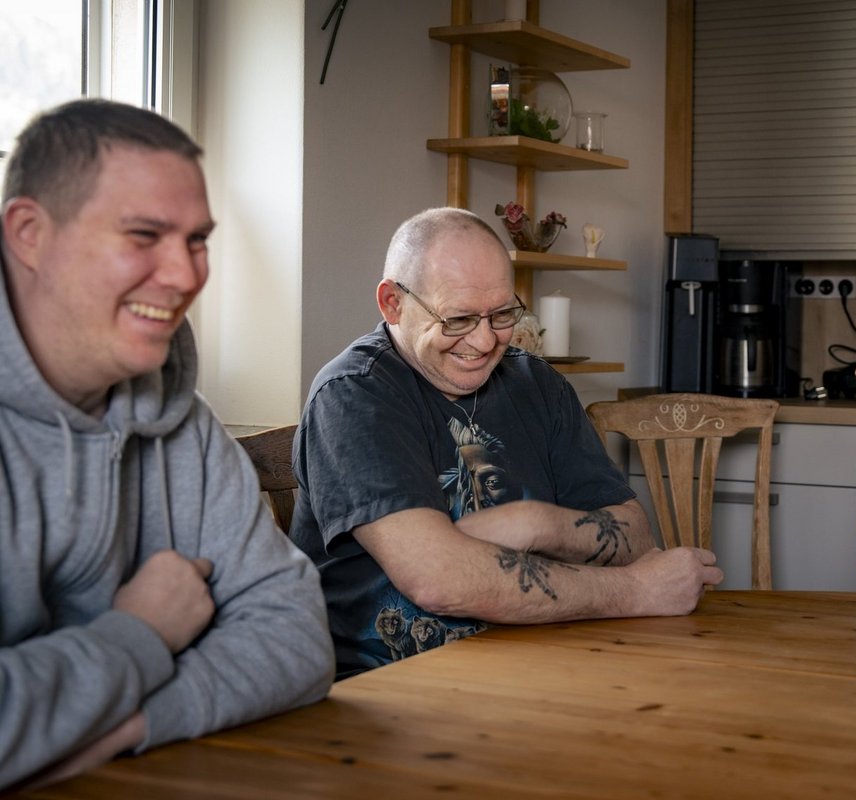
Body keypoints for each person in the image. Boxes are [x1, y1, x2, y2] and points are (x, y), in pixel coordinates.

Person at [0, 99, 335, 790]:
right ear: (29, 234)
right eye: (144, 234)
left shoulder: (185, 422)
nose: (186, 276)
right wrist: (142, 633)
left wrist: (129, 726)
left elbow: (297, 637)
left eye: (197, 239)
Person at [291, 206, 723, 678]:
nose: (483, 342)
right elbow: (438, 580)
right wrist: (635, 592)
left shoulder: (536, 383)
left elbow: (635, 538)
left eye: (501, 314)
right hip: (390, 691)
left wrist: (537, 523)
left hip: (539, 665)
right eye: (457, 319)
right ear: (393, 303)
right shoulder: (354, 395)